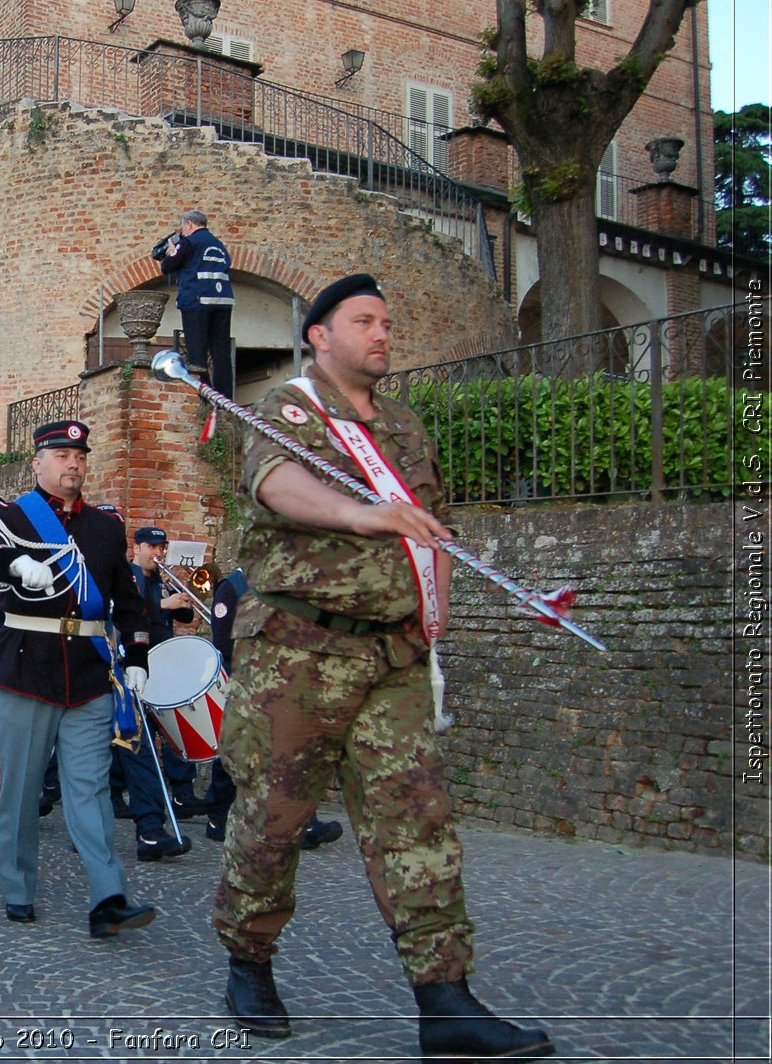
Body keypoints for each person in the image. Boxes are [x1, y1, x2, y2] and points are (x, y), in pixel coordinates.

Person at [213, 274, 553, 1060]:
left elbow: (427, 527)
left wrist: (430, 609)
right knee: (273, 821)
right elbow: (278, 482)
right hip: (298, 654)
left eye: (388, 323)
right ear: (319, 335)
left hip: (393, 655)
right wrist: (361, 510)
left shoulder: (401, 423)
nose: (382, 334)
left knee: (418, 818)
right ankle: (249, 960)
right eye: (364, 320)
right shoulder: (287, 410)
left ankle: (446, 1001)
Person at [0, 420, 157, 939]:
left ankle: (108, 896)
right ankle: (17, 887)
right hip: (29, 667)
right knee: (23, 787)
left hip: (90, 674)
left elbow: (128, 598)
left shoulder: (104, 527)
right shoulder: (10, 517)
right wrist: (13, 564)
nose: (72, 464)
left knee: (91, 789)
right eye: (61, 455)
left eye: (79, 455)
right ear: (37, 462)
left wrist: (138, 652)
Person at [208, 565, 343, 849]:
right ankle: (218, 818)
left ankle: (303, 823)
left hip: (279, 681)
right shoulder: (231, 588)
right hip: (243, 678)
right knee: (235, 752)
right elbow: (222, 642)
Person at [115, 526, 198, 860]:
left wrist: (181, 602)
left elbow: (189, 618)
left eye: (162, 547)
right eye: (153, 547)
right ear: (137, 547)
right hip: (129, 669)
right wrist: (163, 603)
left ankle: (170, 806)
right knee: (138, 747)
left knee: (153, 743)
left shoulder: (159, 579)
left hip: (159, 670)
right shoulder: (128, 577)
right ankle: (147, 826)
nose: (159, 553)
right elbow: (125, 614)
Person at [157, 209, 235, 398]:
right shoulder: (219, 245)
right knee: (221, 352)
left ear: (190, 224)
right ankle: (225, 399)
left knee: (197, 353)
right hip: (223, 301)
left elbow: (167, 267)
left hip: (196, 301)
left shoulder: (189, 242)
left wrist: (170, 253)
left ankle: (204, 396)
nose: (183, 231)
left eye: (184, 227)